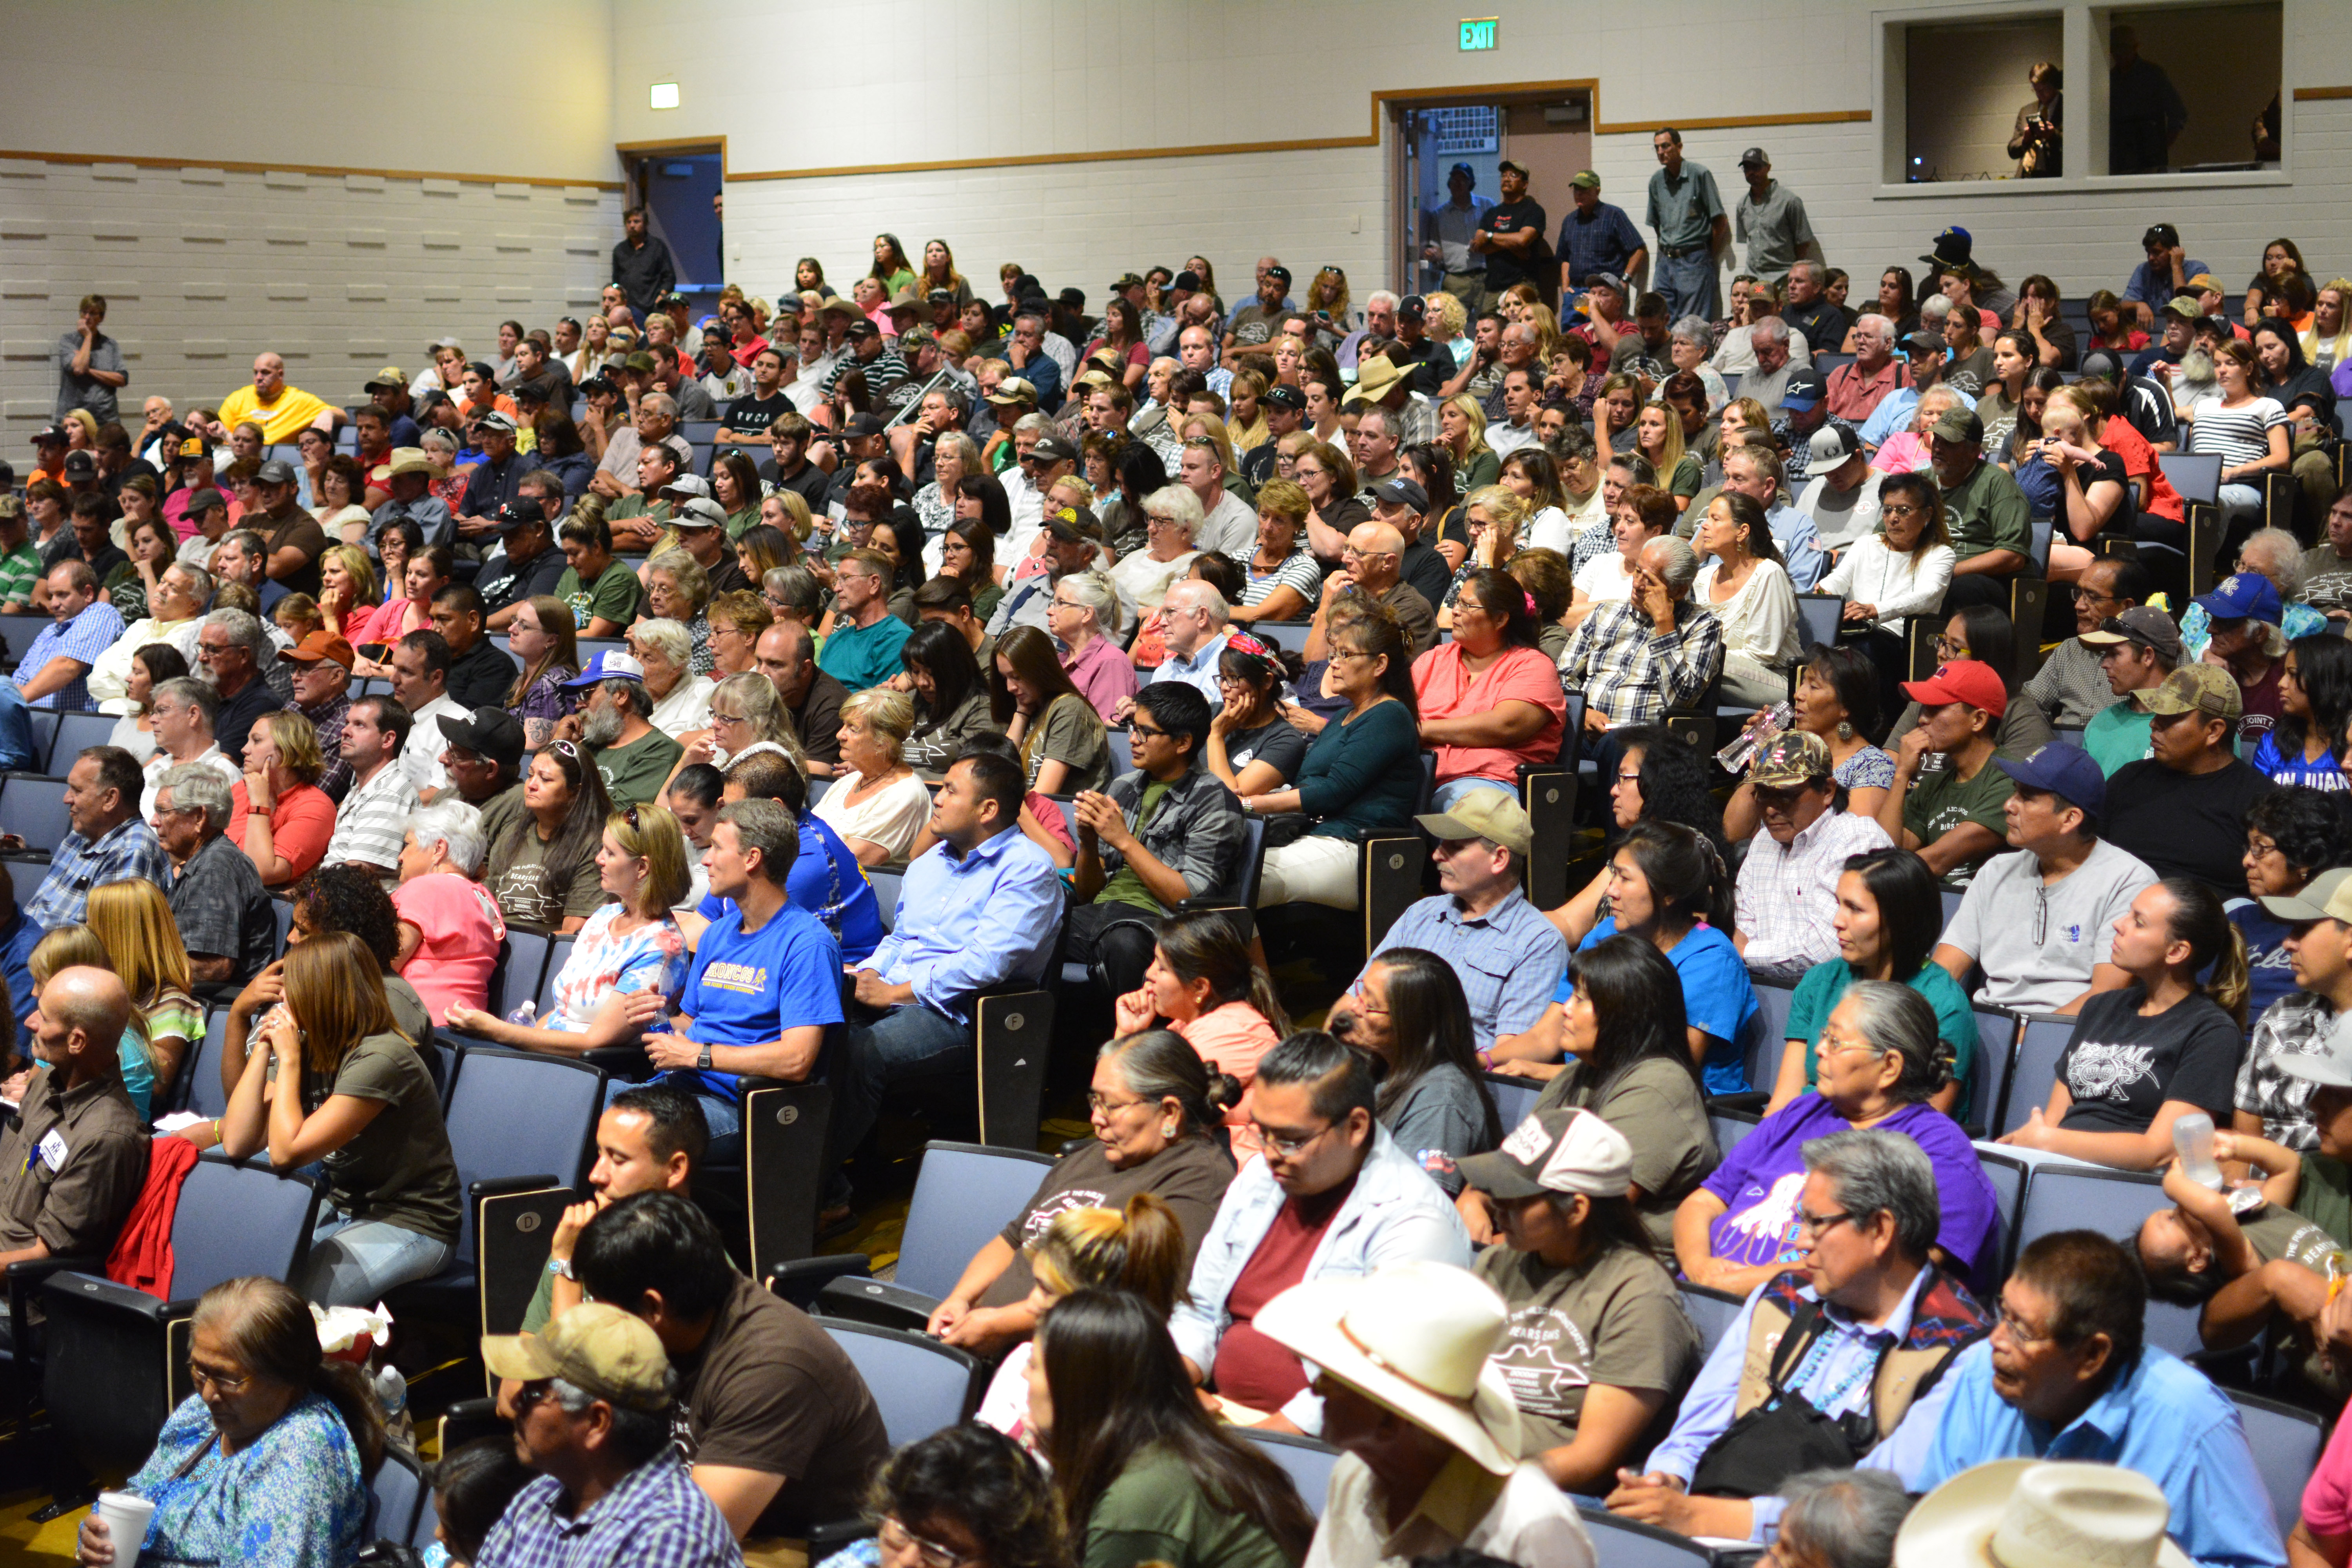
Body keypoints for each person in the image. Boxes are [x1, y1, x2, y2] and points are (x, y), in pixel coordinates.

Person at [1613, 1130, 1993, 1546]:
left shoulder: (1959, 1352)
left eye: (1816, 1223)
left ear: (1881, 1230)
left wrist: (1703, 1516)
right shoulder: (1781, 1295)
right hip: (1698, 1524)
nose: (1799, 1241)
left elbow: (1869, 1513)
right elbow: (1693, 1433)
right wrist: (1664, 1481)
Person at [1900, 1230, 2285, 1568]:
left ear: (2091, 1356)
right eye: (2004, 1313)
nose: (1998, 1340)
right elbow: (1938, 1514)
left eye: (2023, 1330)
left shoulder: (2191, 1420)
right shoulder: (1986, 1373)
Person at [1169, 1032, 1469, 1432]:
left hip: (1330, 1444)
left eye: (1292, 1139)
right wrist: (1172, 1388)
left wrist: (1251, 1445)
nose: (1272, 1153)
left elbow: (1368, 1381)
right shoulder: (1260, 1177)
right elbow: (1200, 1310)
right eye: (1263, 1132)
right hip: (1224, 1417)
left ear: (1357, 1127)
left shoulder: (1415, 1220)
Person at [569, 1191, 892, 1539]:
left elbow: (689, 1546)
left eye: (601, 1308)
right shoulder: (684, 1313)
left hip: (791, 1547)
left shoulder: (770, 1368)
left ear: (653, 1308)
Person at [1258, 1260, 1598, 1568]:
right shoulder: (1353, 1473)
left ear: (1392, 1421)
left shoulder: (1529, 1520)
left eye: (1336, 1382)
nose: (1316, 1389)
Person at [830, 752, 1063, 1199]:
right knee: (815, 1034)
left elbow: (985, 965)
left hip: (963, 1014)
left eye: (951, 790)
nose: (936, 798)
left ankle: (812, 1193)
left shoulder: (1028, 869)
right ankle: (829, 1171)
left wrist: (896, 992)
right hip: (897, 991)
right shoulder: (928, 863)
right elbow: (900, 939)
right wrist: (867, 974)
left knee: (861, 1052)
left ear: (988, 809)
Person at [929, 1030, 1238, 1357]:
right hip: (984, 1339)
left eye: (1112, 1105)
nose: (1095, 1119)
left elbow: (1128, 1298)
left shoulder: (1199, 1180)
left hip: (1066, 1363)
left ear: (1170, 1113)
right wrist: (960, 1299)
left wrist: (1002, 1325)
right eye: (1095, 1100)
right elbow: (1013, 1239)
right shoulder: (1097, 1155)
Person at [1682, 981, 2000, 1295]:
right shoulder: (1804, 1110)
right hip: (1702, 1289)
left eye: (1836, 1041)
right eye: (1824, 1035)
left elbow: (1901, 1271)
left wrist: (1736, 1285)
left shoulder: (1940, 1154)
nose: (1819, 1049)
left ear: (1889, 1066)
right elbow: (1705, 1200)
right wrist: (1698, 1266)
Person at [1453, 1105, 1702, 1493]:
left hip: (1550, 1496)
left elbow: (1590, 1460)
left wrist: (1478, 1482)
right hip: (1468, 1463)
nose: (1497, 1205)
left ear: (1577, 1210)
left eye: (1516, 1196)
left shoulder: (1639, 1297)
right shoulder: (1498, 1262)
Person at [73, 1276, 385, 1568]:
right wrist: (96, 1536)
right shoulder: (201, 1417)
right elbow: (140, 1493)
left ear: (287, 1378)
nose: (208, 1393)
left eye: (228, 1378)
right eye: (199, 1370)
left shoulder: (299, 1453)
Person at [216, 930, 459, 1304]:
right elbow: (237, 1141)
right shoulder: (311, 1040)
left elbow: (286, 1153)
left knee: (298, 1304)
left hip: (412, 1221)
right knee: (252, 1267)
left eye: (292, 987)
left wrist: (291, 1061)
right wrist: (265, 1046)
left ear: (322, 992)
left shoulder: (381, 1058)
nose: (282, 997)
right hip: (343, 1202)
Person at [1028, 1289, 1317, 1568]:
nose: (1023, 1374)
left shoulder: (1137, 1499)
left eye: (1034, 1365)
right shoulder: (1173, 1445)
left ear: (1075, 1386)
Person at [1998, 877, 2249, 1171]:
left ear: (2177, 952)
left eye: (2138, 923)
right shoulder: (2101, 1007)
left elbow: (2160, 1152)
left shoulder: (2212, 1033)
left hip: (2129, 1185)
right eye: (2128, 914)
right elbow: (2054, 1120)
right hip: (2054, 1166)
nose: (2119, 924)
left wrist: (2049, 1142)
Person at [475, 1301, 740, 1568]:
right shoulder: (538, 1496)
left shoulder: (671, 1537)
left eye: (534, 1393)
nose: (515, 1403)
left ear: (596, 1422)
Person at [1515, 820, 1759, 1095]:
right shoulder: (1604, 935)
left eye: (1625, 878)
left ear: (1668, 893)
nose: (1611, 891)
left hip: (1668, 1104)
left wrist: (1548, 1073)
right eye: (1613, 876)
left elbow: (1670, 1070)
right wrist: (1485, 1060)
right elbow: (1544, 1036)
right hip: (1584, 1090)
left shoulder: (1713, 960)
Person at [1931, 743, 2156, 1025]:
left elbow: (2105, 994)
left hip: (2069, 1034)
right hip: (1988, 1027)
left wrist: (2030, 1038)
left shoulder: (2128, 881)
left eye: (2026, 797)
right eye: (2014, 791)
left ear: (2070, 818)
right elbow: (1945, 969)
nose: (2009, 805)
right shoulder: (1996, 870)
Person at [1345, 790, 1563, 1061]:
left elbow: (1513, 1053)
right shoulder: (1422, 913)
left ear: (1499, 859)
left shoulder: (1538, 942)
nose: (1437, 855)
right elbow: (1354, 999)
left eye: (1455, 846)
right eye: (1440, 844)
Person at [1764, 846, 1978, 1120]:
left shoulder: (1944, 1006)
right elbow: (1782, 1105)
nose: (1837, 921)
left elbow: (1923, 1125)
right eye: (1839, 904)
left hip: (1880, 1152)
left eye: (1855, 909)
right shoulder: (1820, 982)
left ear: (1900, 920)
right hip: (1805, 1134)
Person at [1067, 684, 1246, 998]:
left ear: (1183, 742)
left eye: (1145, 732)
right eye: (1132, 728)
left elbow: (1191, 898)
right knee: (1029, 925)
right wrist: (1089, 843)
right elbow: (1088, 893)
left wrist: (1124, 841)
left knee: (1123, 944)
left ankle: (1134, 1043)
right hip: (1100, 913)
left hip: (1159, 925)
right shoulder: (1123, 787)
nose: (1132, 739)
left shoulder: (1214, 800)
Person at [1248, 603, 1423, 911]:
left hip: (1353, 848)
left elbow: (1332, 792)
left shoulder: (1390, 715)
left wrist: (1249, 804)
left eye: (1346, 655)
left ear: (1380, 664)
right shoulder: (1345, 715)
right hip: (1310, 836)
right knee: (1216, 864)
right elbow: (1304, 782)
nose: (1334, 665)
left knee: (1239, 877)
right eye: (1334, 654)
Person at [0, 963, 143, 1311]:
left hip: (24, 1305)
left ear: (76, 1041)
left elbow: (42, 1258)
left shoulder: (106, 1137)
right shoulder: (47, 1083)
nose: (30, 1022)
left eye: (45, 1019)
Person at [1327, 947, 1503, 1198]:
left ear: (1412, 1023)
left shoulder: (1440, 1101)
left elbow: (1414, 1207)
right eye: (1360, 994)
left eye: (1371, 1005)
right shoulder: (1378, 1068)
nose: (1354, 1009)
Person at [1113, 911, 1289, 1154]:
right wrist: (1127, 1033)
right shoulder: (1186, 1024)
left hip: (1233, 1173)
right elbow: (1115, 1103)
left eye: (1162, 968)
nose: (1150, 975)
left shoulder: (1228, 1033)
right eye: (1154, 962)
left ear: (1200, 987)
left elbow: (1138, 1119)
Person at [1731, 732, 1896, 984]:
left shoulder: (1858, 840)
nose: (1771, 809)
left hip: (1844, 997)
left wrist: (1748, 953)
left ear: (1828, 790)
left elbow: (1831, 949)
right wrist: (1744, 950)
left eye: (1786, 794)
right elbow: (1741, 926)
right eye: (1763, 794)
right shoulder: (1764, 841)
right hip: (1766, 990)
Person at [2103, 665, 2279, 897]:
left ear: (2214, 731)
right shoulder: (2128, 779)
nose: (2154, 724)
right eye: (2156, 714)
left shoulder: (2260, 800)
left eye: (2170, 717)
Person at [1412, 568, 1565, 810]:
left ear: (1501, 619)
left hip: (1483, 782)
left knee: (1474, 808)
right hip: (1414, 778)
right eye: (1456, 602)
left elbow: (1505, 725)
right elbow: (1396, 712)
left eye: (1467, 605)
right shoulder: (1433, 660)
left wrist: (1423, 730)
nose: (1455, 611)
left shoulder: (1532, 665)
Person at [1556, 535, 1725, 748]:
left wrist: (1664, 624)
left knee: (1615, 746)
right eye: (1637, 572)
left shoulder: (1702, 625)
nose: (1637, 584)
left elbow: (1681, 699)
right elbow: (1562, 675)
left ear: (1680, 590)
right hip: (1582, 729)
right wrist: (1584, 712)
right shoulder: (1606, 612)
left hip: (1644, 742)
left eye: (1651, 580)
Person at [1876, 659, 2017, 891]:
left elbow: (1937, 861)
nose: (1922, 719)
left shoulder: (2010, 779)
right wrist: (1901, 774)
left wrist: (1880, 873)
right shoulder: (1935, 782)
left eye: (1937, 707)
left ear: (1978, 720)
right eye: (1924, 708)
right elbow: (1885, 852)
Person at [26, 745, 174, 931]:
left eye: (77, 791)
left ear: (110, 799)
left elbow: (104, 941)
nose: (66, 799)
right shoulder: (79, 836)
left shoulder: (132, 851)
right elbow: (37, 908)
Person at [154, 764, 276, 990]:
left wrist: (142, 967)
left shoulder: (215, 868)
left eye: (163, 811)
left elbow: (213, 967)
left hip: (211, 1005)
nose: (154, 821)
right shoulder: (206, 860)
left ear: (199, 817)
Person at [484, 740, 612, 934]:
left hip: (548, 952)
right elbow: (487, 905)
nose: (532, 785)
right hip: (497, 941)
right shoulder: (512, 833)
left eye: (545, 779)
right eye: (530, 775)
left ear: (575, 792)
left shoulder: (593, 844)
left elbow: (574, 930)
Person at [813, 687, 932, 866]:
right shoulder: (849, 781)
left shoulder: (905, 795)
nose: (840, 735)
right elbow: (805, 834)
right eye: (844, 725)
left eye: (853, 729)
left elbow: (848, 862)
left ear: (882, 742)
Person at [2250, 633, 2352, 790]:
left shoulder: (2349, 747)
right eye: (2284, 673)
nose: (2281, 683)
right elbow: (2257, 806)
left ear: (2324, 680)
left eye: (2293, 674)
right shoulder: (2274, 743)